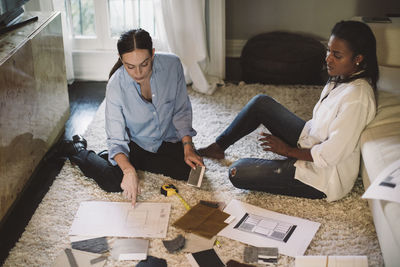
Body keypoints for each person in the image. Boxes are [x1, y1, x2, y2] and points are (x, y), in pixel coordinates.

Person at [198, 20, 378, 202]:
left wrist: (288, 151)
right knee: (261, 103)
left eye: (337, 55)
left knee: (237, 171)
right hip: (310, 140)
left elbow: (330, 155)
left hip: (323, 177)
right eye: (328, 50)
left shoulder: (357, 98)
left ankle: (289, 167)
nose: (328, 58)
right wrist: (294, 148)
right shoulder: (341, 78)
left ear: (358, 59)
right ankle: (218, 147)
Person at [62, 28, 204, 206]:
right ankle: (79, 151)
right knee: (113, 182)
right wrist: (128, 170)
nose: (138, 73)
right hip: (135, 144)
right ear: (121, 60)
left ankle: (118, 160)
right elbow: (116, 138)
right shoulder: (116, 85)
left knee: (192, 171)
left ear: (152, 54)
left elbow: (181, 110)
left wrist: (188, 147)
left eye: (144, 64)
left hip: (166, 140)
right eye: (130, 66)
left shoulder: (172, 65)